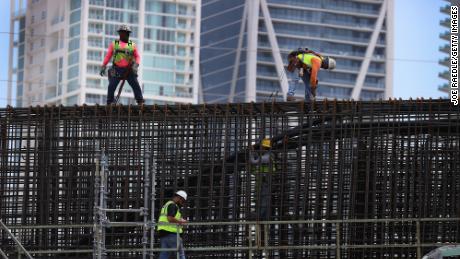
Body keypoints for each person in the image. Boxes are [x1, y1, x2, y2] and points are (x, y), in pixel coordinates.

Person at [100, 24, 144, 105]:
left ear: (128, 34)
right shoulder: (115, 44)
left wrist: (136, 65)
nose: (123, 35)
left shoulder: (132, 45)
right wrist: (103, 66)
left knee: (135, 84)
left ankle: (140, 101)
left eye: (125, 33)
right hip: (117, 69)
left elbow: (137, 56)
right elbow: (108, 55)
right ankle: (110, 102)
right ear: (119, 34)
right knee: (111, 86)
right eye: (121, 33)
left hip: (129, 70)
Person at [249, 138, 276, 220]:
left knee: (264, 198)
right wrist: (254, 152)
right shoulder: (268, 156)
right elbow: (259, 159)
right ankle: (259, 214)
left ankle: (260, 216)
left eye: (261, 147)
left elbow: (253, 161)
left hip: (266, 181)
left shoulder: (266, 158)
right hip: (264, 180)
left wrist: (250, 152)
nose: (260, 149)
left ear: (264, 148)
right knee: (260, 197)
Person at [157, 190, 188, 259]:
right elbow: (170, 218)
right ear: (179, 198)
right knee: (180, 254)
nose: (182, 204)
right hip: (171, 233)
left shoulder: (167, 204)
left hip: (163, 233)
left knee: (164, 254)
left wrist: (179, 220)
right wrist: (180, 222)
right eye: (182, 201)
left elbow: (170, 218)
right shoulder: (172, 205)